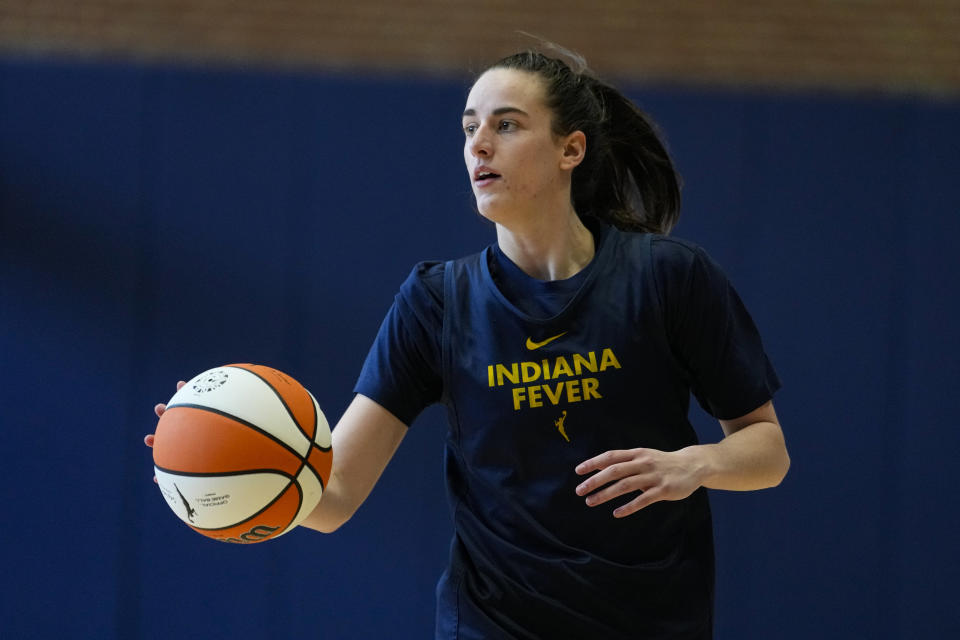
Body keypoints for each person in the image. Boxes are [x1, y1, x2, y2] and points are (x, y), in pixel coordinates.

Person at [150, 49, 790, 639]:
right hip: (492, 623)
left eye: (506, 125)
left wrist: (694, 464)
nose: (479, 144)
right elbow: (334, 495)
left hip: (653, 619)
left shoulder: (669, 277)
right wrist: (216, 449)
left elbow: (768, 451)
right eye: (468, 128)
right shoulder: (437, 301)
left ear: (571, 149)